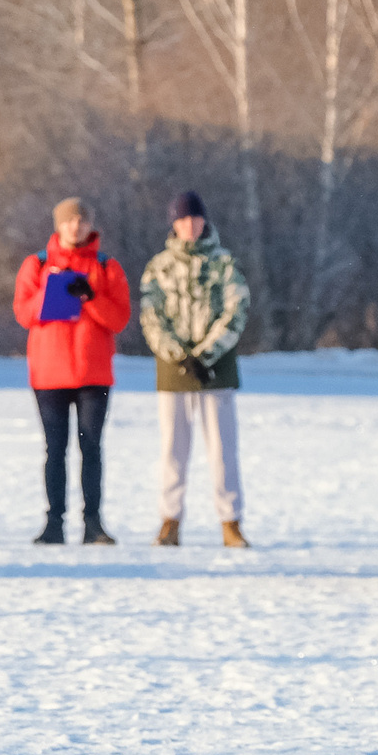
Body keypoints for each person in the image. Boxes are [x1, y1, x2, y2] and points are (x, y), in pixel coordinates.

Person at [12, 196, 130, 545]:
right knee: (55, 449)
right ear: (58, 225)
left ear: (91, 224)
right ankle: (54, 524)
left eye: (81, 220)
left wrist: (90, 297)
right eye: (69, 221)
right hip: (49, 374)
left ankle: (93, 523)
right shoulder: (37, 264)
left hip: (94, 375)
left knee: (91, 448)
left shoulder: (107, 267)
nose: (75, 227)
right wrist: (52, 291)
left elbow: (120, 319)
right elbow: (23, 312)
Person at [138, 190, 251, 549]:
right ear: (174, 222)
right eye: (183, 219)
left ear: (204, 221)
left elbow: (236, 309)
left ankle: (230, 521)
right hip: (173, 370)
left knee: (222, 449)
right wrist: (178, 354)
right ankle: (170, 520)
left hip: (216, 367)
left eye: (195, 218)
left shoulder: (224, 263)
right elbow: (151, 315)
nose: (190, 225)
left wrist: (206, 353)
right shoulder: (159, 267)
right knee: (172, 448)